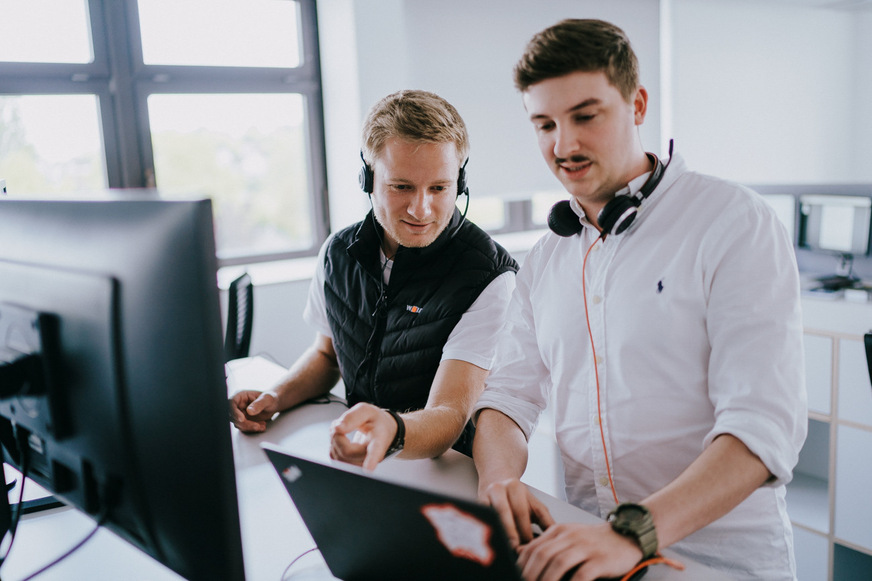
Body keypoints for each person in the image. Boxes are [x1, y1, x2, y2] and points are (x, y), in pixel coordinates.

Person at [471, 19, 807, 581]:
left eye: (585, 116)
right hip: (591, 552)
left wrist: (631, 533)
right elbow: (508, 396)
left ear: (638, 105)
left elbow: (762, 427)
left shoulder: (734, 223)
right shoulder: (546, 257)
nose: (563, 146)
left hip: (720, 565)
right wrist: (498, 480)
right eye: (545, 124)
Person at [229, 89, 518, 471]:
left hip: (440, 471)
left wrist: (391, 431)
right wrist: (274, 396)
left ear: (459, 181)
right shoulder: (337, 253)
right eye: (402, 187)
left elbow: (449, 415)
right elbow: (326, 356)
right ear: (367, 177)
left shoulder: (488, 276)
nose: (421, 209)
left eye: (439, 188)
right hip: (361, 454)